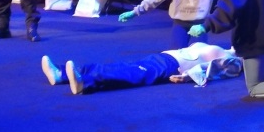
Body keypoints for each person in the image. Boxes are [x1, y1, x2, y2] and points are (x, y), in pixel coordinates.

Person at [40, 42, 243, 95]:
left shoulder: (233, 61)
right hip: (164, 57)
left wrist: (189, 76)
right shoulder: (223, 48)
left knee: (128, 73)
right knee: (121, 66)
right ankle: (60, 74)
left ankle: (85, 83)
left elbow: (212, 70)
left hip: (172, 66)